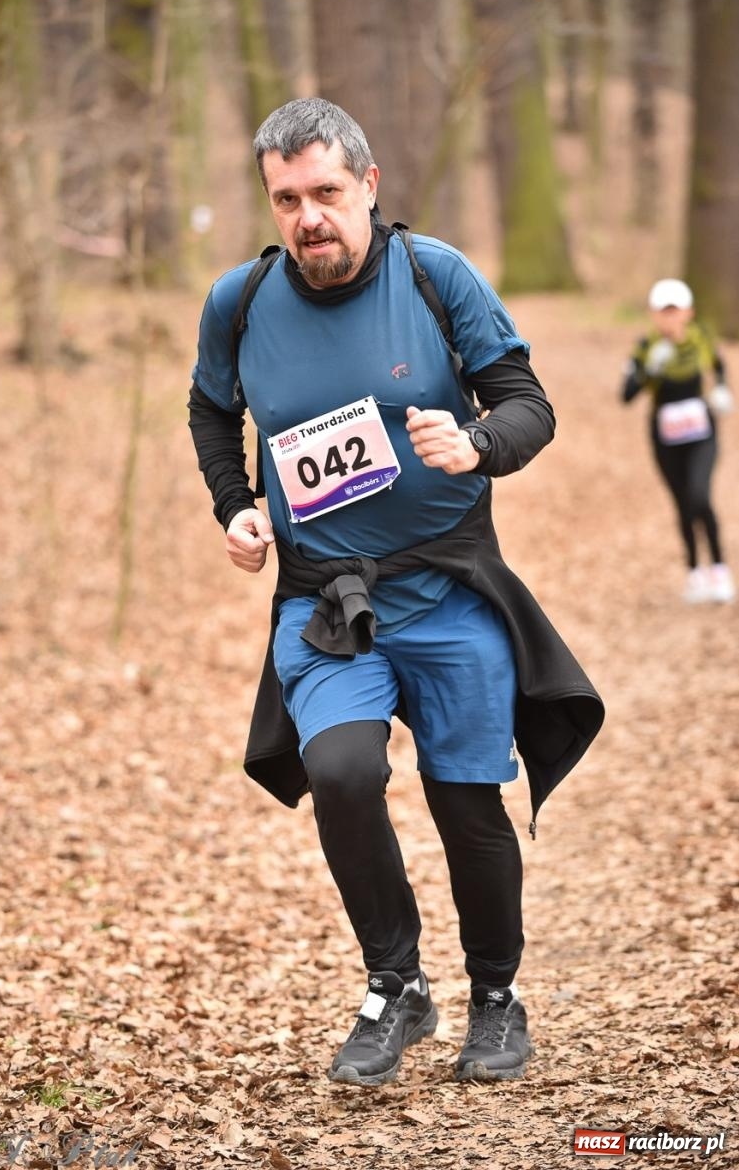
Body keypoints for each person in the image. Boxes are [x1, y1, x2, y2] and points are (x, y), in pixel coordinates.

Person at [188, 98, 603, 1087]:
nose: (309, 217)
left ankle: (496, 998)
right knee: (338, 770)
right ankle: (397, 985)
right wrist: (235, 505)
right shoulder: (239, 301)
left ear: (368, 187)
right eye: (288, 199)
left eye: (326, 192)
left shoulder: (435, 275)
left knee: (467, 804)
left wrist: (476, 444)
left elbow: (527, 406)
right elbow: (210, 408)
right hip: (325, 606)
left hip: (449, 592)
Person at [621, 278, 735, 604]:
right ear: (654, 315)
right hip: (665, 436)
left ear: (688, 312)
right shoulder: (646, 348)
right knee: (682, 502)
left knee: (700, 494)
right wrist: (648, 370)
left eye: (675, 310)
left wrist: (723, 389)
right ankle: (694, 571)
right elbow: (626, 394)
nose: (669, 318)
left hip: (702, 432)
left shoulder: (702, 342)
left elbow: (719, 366)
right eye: (663, 311)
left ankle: (719, 569)